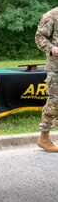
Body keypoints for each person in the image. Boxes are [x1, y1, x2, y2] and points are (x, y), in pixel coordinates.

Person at [35, 8, 58, 152]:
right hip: (56, 68)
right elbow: (39, 37)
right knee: (55, 102)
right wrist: (52, 48)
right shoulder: (52, 15)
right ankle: (44, 138)